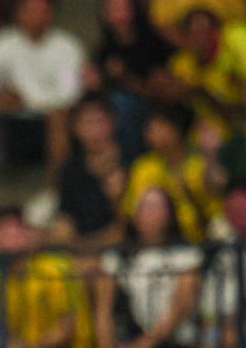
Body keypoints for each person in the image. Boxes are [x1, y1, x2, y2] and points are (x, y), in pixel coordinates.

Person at [0, 0, 85, 193]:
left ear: (50, 13)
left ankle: (57, 195)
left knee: (59, 117)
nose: (35, 16)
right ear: (19, 13)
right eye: (30, 10)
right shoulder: (6, 41)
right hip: (13, 121)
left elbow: (69, 95)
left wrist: (27, 100)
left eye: (41, 10)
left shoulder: (68, 46)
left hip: (48, 122)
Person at [95, 187, 201, 347]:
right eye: (144, 207)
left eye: (156, 207)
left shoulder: (185, 254)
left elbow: (183, 304)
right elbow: (103, 310)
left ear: (169, 214)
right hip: (128, 337)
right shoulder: (118, 257)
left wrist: (145, 344)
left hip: (174, 341)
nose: (149, 214)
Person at [0, 206, 93, 348]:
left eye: (17, 227)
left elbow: (66, 330)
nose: (5, 234)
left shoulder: (56, 269)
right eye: (1, 228)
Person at [87, 0, 173, 160]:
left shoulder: (153, 42)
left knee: (122, 104)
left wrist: (125, 77)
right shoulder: (103, 50)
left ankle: (132, 163)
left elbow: (160, 90)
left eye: (123, 5)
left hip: (155, 109)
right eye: (113, 6)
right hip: (115, 114)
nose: (119, 12)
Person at [122, 104, 225, 243]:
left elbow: (219, 185)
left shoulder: (199, 164)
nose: (149, 133)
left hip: (205, 241)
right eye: (149, 128)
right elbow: (134, 212)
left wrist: (211, 155)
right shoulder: (144, 167)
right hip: (163, 243)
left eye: (158, 126)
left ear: (176, 129)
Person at [52, 94, 127, 250]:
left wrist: (117, 200)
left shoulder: (130, 163)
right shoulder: (70, 169)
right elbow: (65, 220)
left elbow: (124, 231)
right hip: (80, 253)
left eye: (99, 122)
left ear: (113, 122)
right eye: (87, 123)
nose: (93, 130)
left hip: (125, 250)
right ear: (74, 128)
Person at [167, 9, 246, 138]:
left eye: (207, 31)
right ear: (186, 37)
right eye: (195, 33)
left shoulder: (235, 39)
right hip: (216, 131)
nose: (202, 38)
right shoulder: (182, 66)